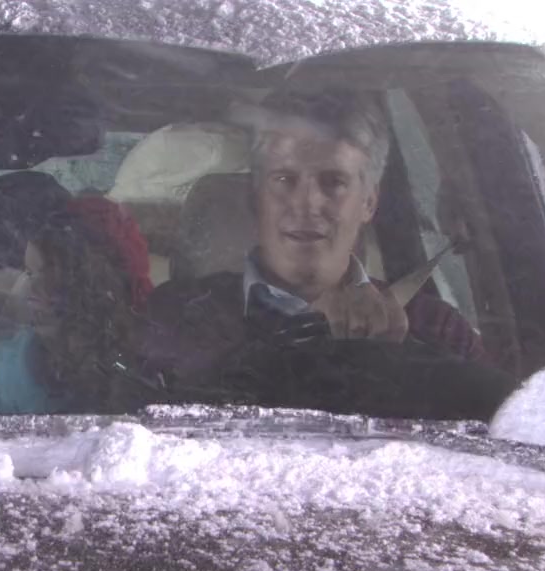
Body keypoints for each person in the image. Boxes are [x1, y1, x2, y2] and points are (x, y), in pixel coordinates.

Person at [137, 89, 513, 417]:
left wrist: (401, 358)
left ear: (368, 202)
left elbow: (505, 435)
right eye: (284, 179)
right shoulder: (176, 317)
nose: (307, 203)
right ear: (255, 196)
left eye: (333, 181)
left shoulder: (435, 329)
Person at [0, 193, 153, 415]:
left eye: (47, 275)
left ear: (86, 284)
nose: (30, 289)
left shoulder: (140, 359)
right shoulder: (14, 364)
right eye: (29, 273)